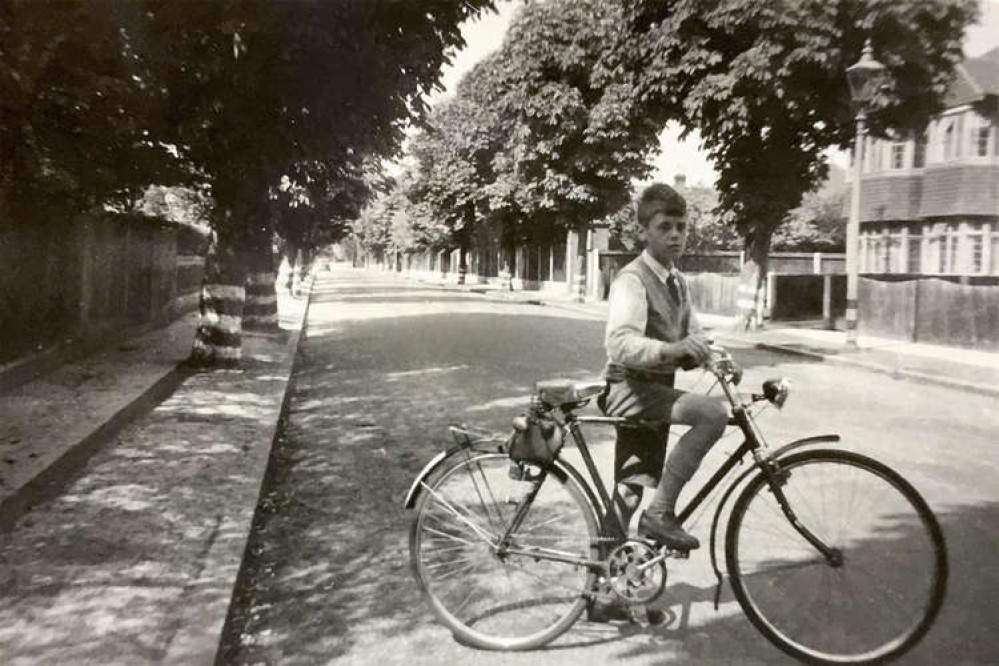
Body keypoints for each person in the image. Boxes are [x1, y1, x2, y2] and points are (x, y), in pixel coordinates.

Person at [600, 182, 728, 551]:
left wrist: (717, 356)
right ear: (643, 232)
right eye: (664, 227)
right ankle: (662, 514)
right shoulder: (632, 280)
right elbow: (619, 343)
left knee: (629, 491)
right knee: (711, 415)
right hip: (630, 391)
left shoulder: (677, 282)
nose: (675, 235)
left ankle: (606, 591)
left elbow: (695, 335)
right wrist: (673, 350)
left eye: (681, 227)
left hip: (654, 392)